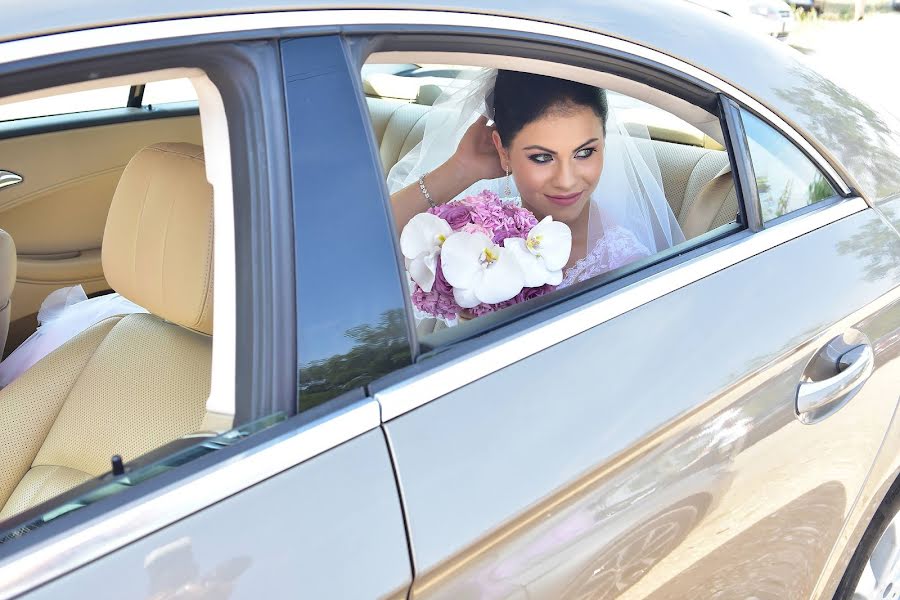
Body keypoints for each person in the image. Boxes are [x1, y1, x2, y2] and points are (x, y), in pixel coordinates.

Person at [389, 69, 684, 296]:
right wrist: (461, 169)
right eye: (542, 158)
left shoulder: (625, 261)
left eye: (585, 152)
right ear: (503, 150)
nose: (567, 181)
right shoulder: (478, 228)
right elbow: (367, 242)